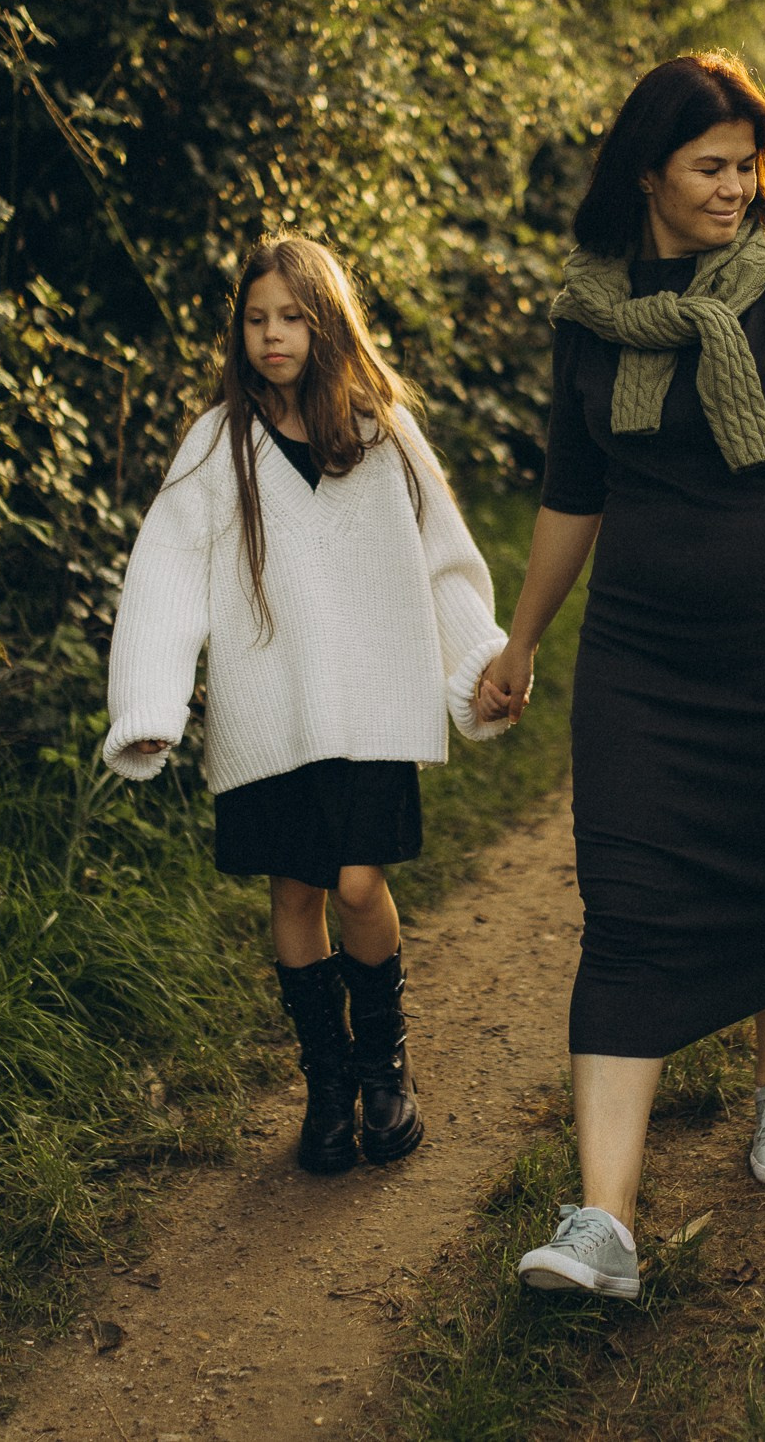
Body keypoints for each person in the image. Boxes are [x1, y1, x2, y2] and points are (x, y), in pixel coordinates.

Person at [475, 52, 765, 1298]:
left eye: (748, 166)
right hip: (636, 650)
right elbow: (574, 490)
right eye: (710, 168)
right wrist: (521, 636)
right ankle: (603, 1223)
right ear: (648, 173)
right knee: (623, 904)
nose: (736, 188)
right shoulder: (588, 309)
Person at [104, 235, 510, 1174]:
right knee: (295, 892)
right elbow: (164, 572)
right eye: (256, 319)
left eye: (292, 317)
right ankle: (327, 1086)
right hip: (271, 712)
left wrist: (480, 659)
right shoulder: (217, 445)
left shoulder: (382, 431)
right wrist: (150, 701)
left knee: (359, 884)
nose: (273, 335)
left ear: (326, 324)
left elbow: (443, 556)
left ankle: (384, 1067)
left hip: (370, 705)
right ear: (238, 329)